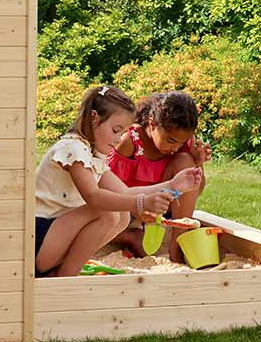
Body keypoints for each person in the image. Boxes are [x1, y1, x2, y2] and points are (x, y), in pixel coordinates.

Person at [35, 85, 203, 277]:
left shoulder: (92, 155)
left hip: (54, 239)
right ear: (93, 117)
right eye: (115, 130)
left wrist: (172, 185)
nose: (117, 139)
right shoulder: (72, 149)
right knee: (106, 212)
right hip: (38, 238)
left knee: (121, 215)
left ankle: (60, 271)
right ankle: (65, 276)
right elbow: (94, 197)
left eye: (122, 131)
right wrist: (141, 203)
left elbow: (122, 192)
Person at [107, 90, 212, 261]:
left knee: (186, 160)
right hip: (126, 207)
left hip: (161, 210)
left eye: (181, 142)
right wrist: (136, 207)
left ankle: (177, 243)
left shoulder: (183, 145)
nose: (175, 147)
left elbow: (194, 191)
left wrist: (198, 162)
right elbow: (106, 188)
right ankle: (129, 236)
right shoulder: (130, 141)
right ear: (153, 123)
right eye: (170, 141)